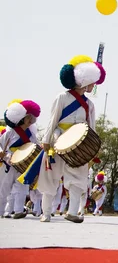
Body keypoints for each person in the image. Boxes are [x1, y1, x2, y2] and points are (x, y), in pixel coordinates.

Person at [28, 55, 106, 223]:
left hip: (79, 144)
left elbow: (91, 128)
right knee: (50, 176)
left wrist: (92, 149)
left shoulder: (90, 105)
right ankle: (46, 213)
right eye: (92, 82)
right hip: (58, 140)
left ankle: (72, 212)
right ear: (83, 80)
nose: (93, 85)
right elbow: (53, 120)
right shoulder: (62, 98)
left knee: (78, 177)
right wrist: (46, 141)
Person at [0, 100, 41, 219]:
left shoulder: (31, 134)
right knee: (4, 188)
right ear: (21, 118)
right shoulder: (10, 133)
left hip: (23, 165)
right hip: (8, 164)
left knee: (21, 188)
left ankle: (18, 210)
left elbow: (34, 146)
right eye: (28, 118)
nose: (31, 121)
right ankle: (1, 211)